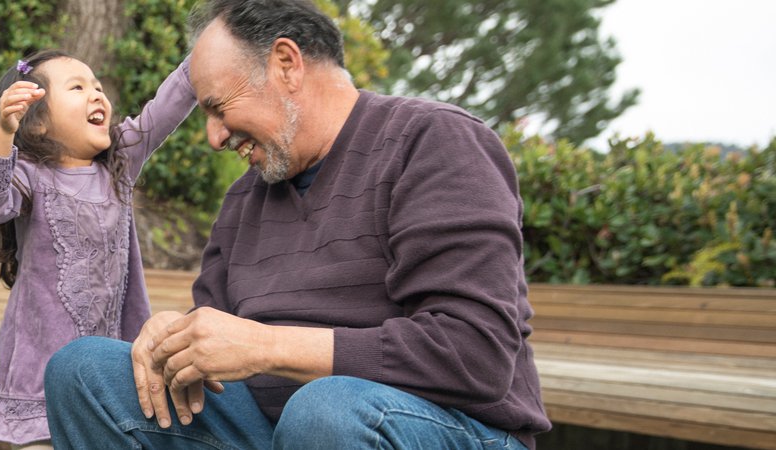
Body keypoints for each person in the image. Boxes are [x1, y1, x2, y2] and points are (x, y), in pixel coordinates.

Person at [41, 1, 551, 449]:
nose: (213, 137)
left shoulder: (435, 140)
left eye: (218, 108)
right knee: (82, 371)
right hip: (277, 427)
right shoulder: (246, 196)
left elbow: (475, 355)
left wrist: (266, 346)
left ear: (286, 64)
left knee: (327, 412)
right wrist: (175, 337)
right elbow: (218, 331)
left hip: (444, 427)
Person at [0, 49, 196, 449]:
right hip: (38, 375)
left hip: (109, 369)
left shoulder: (118, 166)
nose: (96, 95)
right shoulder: (28, 176)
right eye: (77, 87)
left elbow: (165, 109)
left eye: (98, 87)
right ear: (36, 124)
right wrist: (3, 130)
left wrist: (205, 55)